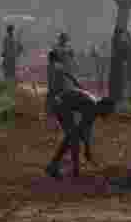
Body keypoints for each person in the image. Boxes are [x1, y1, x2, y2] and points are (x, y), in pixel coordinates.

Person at [45, 49, 115, 178]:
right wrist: (88, 150)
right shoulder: (92, 107)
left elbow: (85, 130)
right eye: (107, 112)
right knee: (73, 137)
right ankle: (64, 167)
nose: (106, 116)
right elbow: (84, 129)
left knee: (72, 136)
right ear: (103, 108)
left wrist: (87, 148)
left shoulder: (93, 105)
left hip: (63, 104)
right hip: (61, 105)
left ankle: (58, 166)